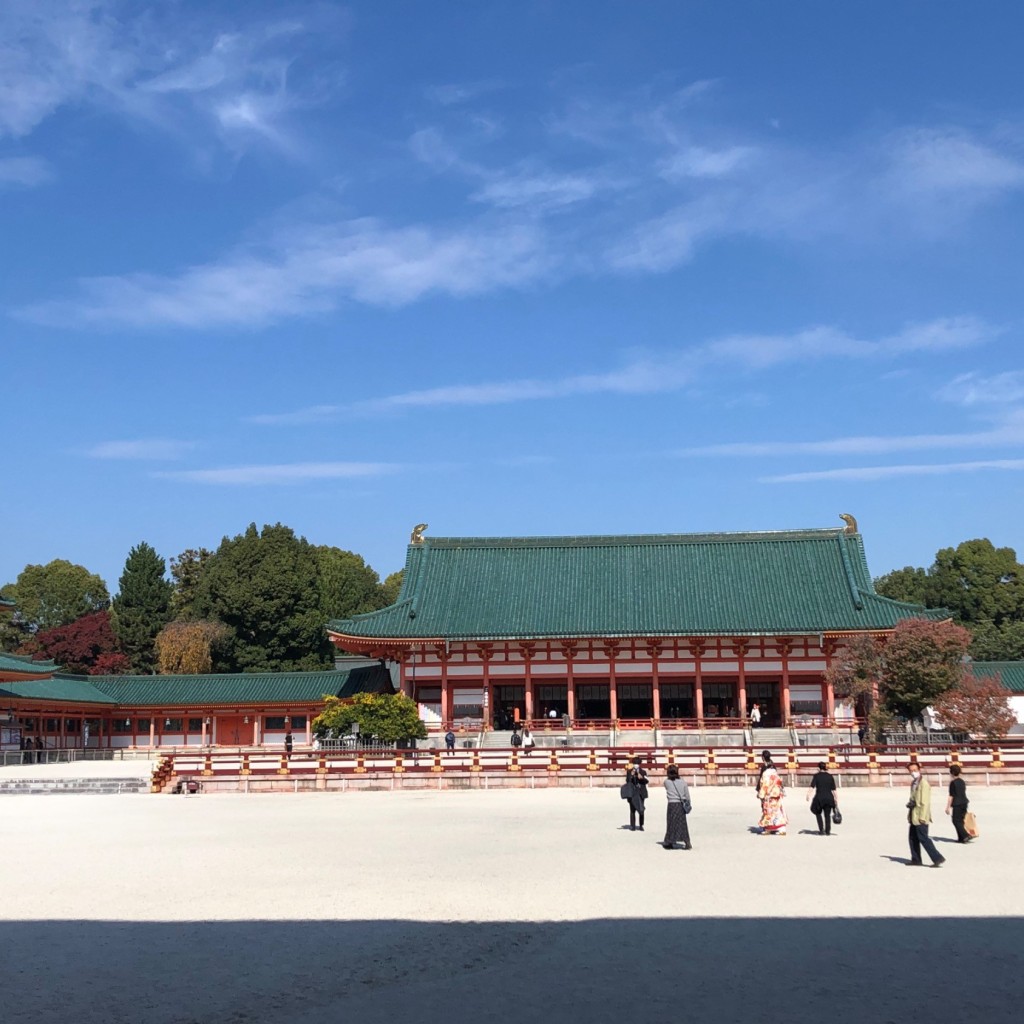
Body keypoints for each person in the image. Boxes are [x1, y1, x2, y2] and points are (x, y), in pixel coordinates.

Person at [906, 762, 945, 867]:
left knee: (923, 838)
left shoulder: (923, 783)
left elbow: (925, 802)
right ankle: (916, 859)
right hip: (913, 814)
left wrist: (923, 817)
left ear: (919, 770)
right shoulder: (914, 783)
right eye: (911, 770)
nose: (913, 772)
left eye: (915, 770)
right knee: (912, 837)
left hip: (920, 816)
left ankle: (937, 858)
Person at [662, 764, 692, 850]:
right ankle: (687, 842)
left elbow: (668, 783)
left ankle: (670, 841)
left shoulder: (667, 782)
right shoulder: (683, 782)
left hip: (671, 804)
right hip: (680, 804)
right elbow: (687, 794)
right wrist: (688, 803)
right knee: (682, 824)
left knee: (671, 823)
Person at [757, 750, 787, 835]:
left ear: (763, 758)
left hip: (769, 794)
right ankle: (782, 828)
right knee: (777, 811)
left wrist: (761, 794)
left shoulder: (765, 773)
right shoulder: (774, 771)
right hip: (776, 792)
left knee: (768, 811)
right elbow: (778, 781)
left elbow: (764, 784)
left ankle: (768, 828)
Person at [806, 761, 838, 836]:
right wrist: (836, 798)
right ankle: (828, 831)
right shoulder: (830, 776)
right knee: (827, 815)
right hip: (829, 797)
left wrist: (808, 794)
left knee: (818, 813)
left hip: (819, 797)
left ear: (819, 768)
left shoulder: (816, 776)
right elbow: (834, 789)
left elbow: (812, 786)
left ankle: (821, 830)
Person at [945, 764, 971, 843]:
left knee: (956, 821)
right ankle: (961, 838)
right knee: (961, 820)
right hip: (964, 802)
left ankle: (965, 835)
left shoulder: (953, 783)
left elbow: (951, 796)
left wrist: (947, 807)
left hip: (957, 803)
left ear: (952, 773)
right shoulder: (962, 781)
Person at [624, 757, 649, 831]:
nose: (636, 765)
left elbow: (647, 781)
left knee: (641, 808)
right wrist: (631, 776)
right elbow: (627, 781)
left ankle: (641, 825)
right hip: (632, 792)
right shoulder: (629, 771)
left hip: (641, 791)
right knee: (632, 809)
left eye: (637, 763)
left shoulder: (643, 771)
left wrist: (642, 778)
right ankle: (633, 825)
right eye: (634, 763)